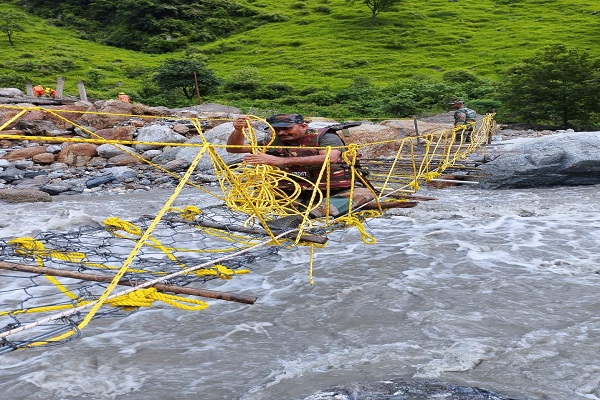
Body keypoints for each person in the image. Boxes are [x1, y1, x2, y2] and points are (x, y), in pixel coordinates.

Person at [227, 113, 379, 221]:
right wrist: (238, 130)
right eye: (276, 129)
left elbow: (330, 158)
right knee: (256, 198)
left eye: (287, 128)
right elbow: (234, 149)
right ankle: (303, 211)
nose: (281, 132)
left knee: (363, 194)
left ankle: (308, 216)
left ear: (303, 126)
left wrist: (277, 160)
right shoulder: (273, 140)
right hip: (294, 190)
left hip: (334, 189)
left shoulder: (325, 137)